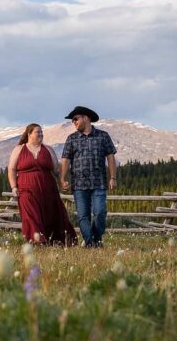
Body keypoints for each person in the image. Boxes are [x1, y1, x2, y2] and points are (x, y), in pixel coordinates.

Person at [8, 123, 76, 246]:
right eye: (37, 132)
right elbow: (11, 169)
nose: (40, 134)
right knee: (30, 215)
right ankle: (37, 241)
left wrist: (62, 181)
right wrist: (14, 187)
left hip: (48, 189)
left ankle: (53, 240)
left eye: (41, 132)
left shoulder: (48, 149)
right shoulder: (19, 149)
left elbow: (56, 170)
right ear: (29, 134)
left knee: (49, 215)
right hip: (25, 189)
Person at [60, 106, 117, 248]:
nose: (74, 122)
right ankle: (90, 243)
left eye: (76, 119)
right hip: (79, 185)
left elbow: (110, 157)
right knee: (83, 216)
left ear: (86, 118)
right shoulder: (71, 139)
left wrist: (113, 177)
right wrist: (62, 179)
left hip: (99, 183)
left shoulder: (103, 136)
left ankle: (96, 239)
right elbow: (66, 160)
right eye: (72, 120)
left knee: (99, 213)